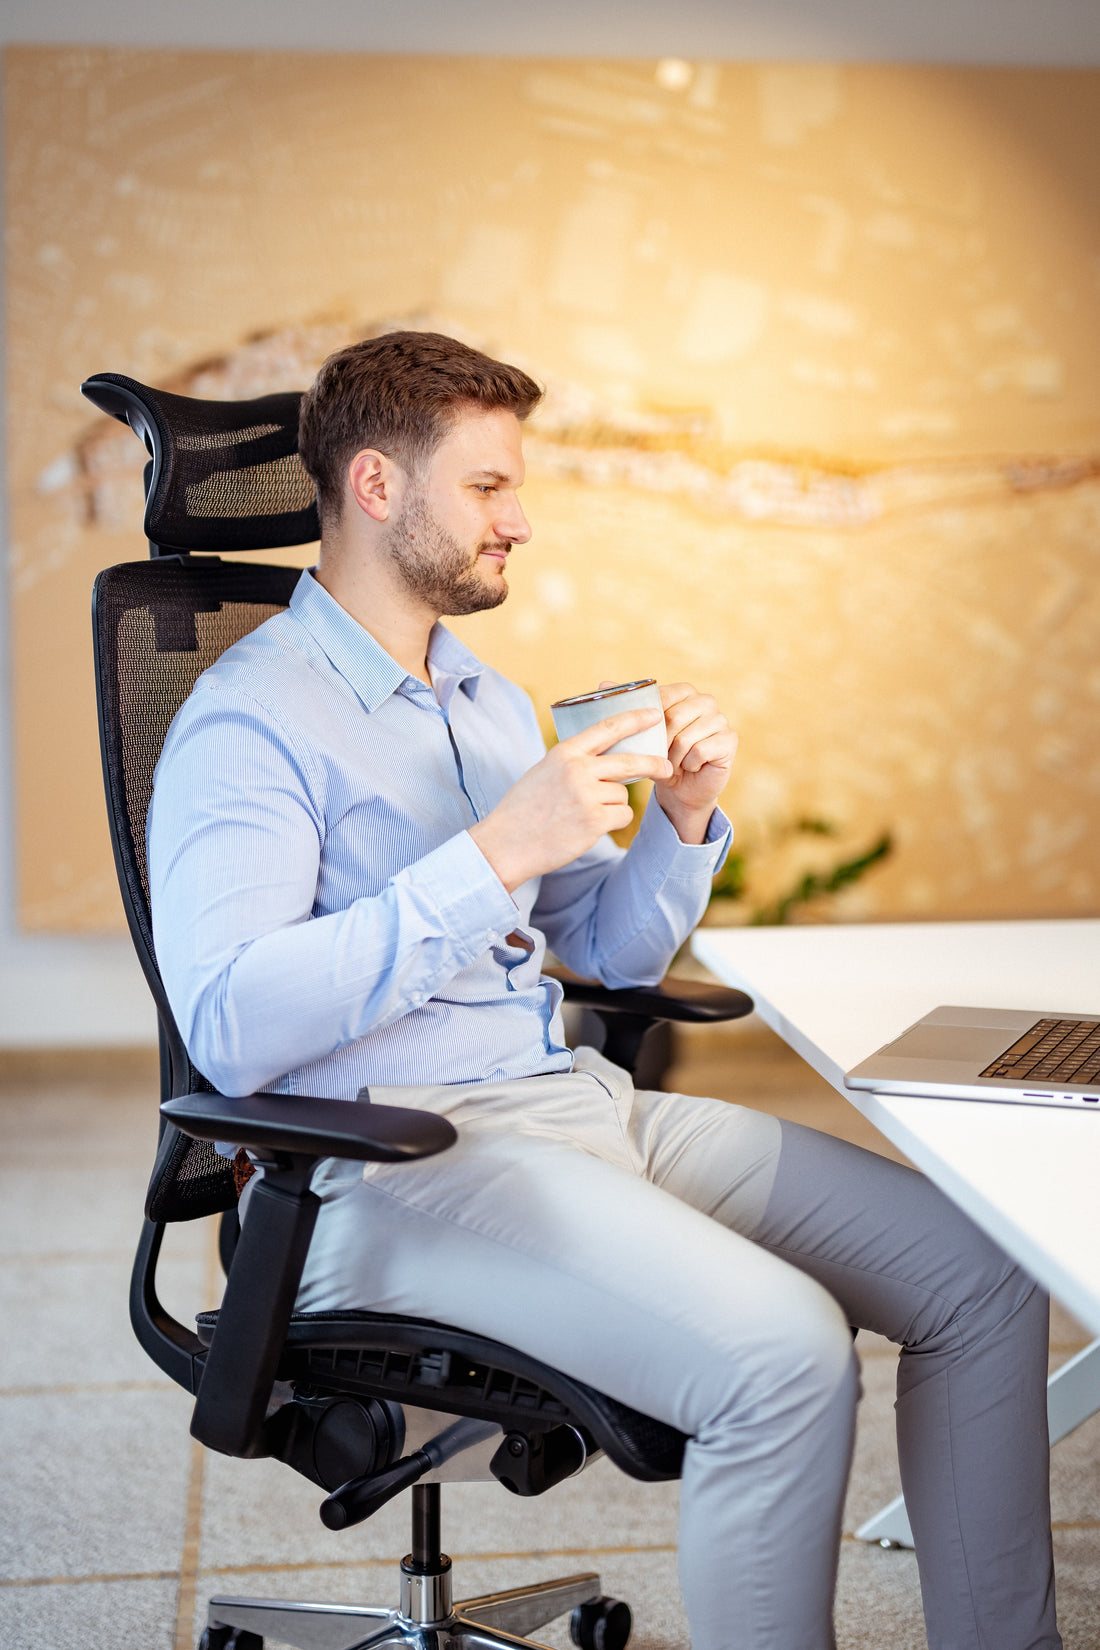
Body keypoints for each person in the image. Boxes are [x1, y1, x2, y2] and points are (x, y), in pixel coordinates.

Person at [148, 331, 1061, 1650]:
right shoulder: (250, 720)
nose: (521, 521)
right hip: (388, 1164)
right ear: (378, 487)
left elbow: (610, 955)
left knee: (977, 1271)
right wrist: (490, 855)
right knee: (783, 1357)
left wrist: (680, 821)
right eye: (488, 488)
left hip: (571, 1107)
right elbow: (227, 1026)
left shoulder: (485, 700)